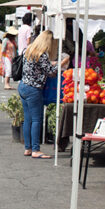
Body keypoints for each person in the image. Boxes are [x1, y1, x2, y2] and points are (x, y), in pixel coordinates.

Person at [18, 30, 69, 159]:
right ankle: (35, 149)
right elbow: (50, 72)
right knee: (36, 119)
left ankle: (28, 148)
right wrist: (62, 63)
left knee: (28, 119)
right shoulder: (43, 54)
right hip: (34, 89)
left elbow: (39, 67)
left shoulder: (29, 50)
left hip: (23, 86)